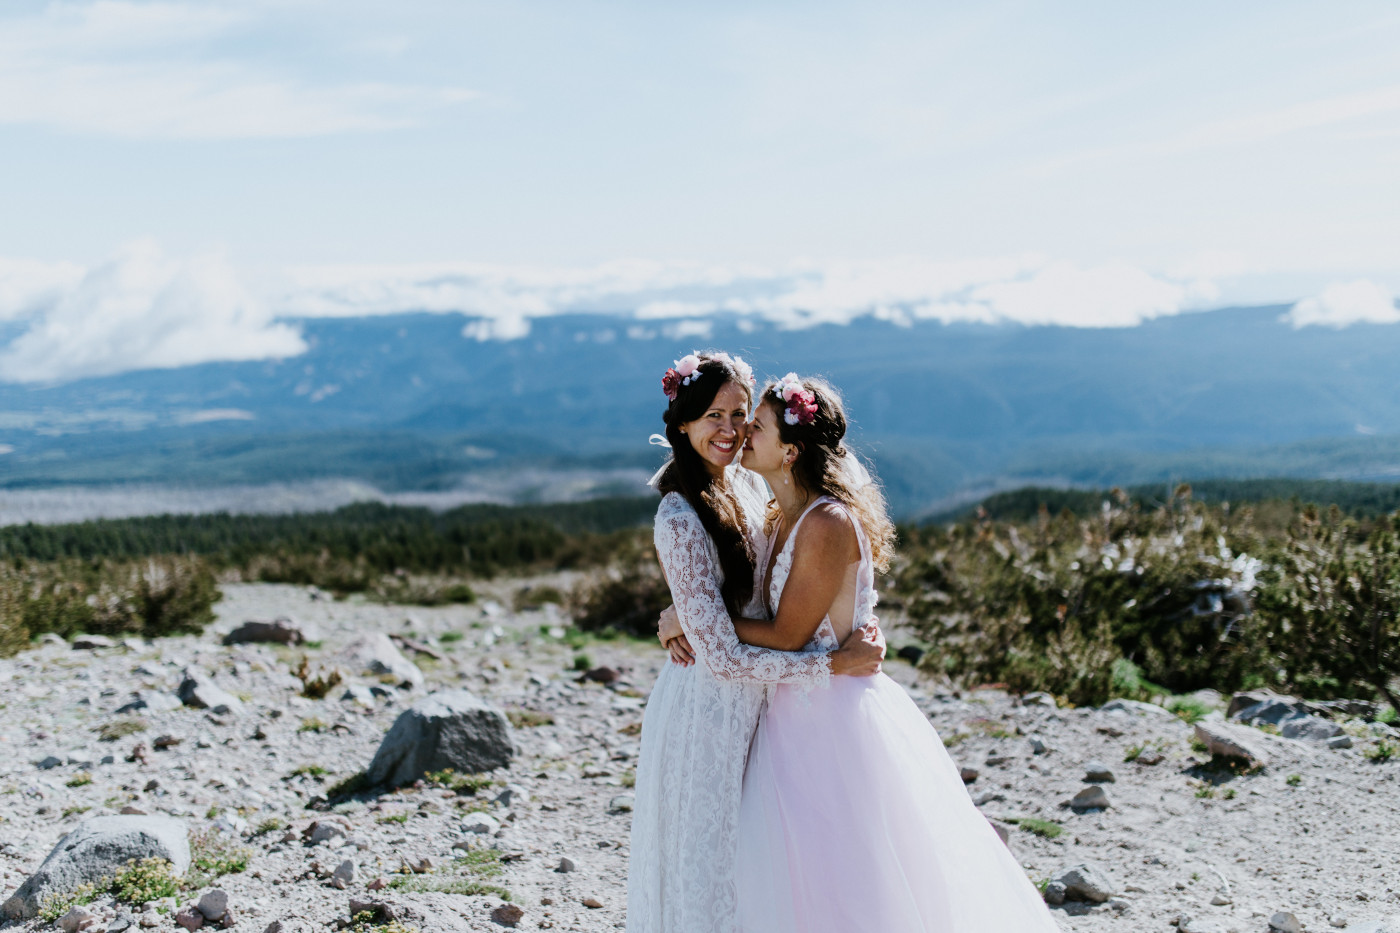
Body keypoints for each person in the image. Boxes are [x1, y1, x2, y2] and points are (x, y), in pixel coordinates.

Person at [661, 374, 1061, 932]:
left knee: (849, 870)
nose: (743, 434)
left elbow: (786, 635)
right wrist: (683, 610)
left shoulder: (825, 522)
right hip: (790, 707)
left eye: (757, 426)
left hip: (831, 712)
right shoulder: (781, 517)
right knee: (792, 872)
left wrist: (702, 621)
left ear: (791, 450)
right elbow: (740, 591)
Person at [627, 352, 884, 933]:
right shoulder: (678, 515)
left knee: (763, 872)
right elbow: (718, 653)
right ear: (684, 424)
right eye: (712, 415)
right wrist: (832, 664)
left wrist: (690, 615)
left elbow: (802, 587)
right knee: (708, 871)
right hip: (708, 710)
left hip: (763, 702)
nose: (730, 429)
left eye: (740, 414)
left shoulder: (748, 485)